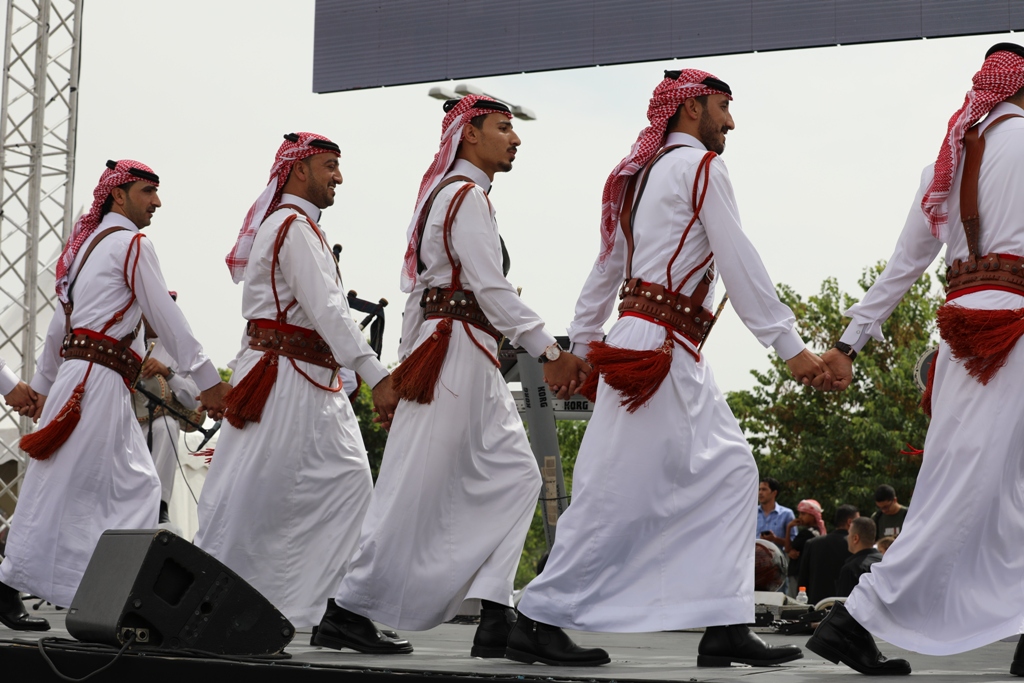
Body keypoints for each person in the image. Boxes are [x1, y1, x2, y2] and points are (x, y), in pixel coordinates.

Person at [509, 69, 831, 669]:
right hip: (660, 349)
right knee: (616, 491)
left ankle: (725, 624)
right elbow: (738, 257)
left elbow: (607, 267)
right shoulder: (701, 168)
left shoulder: (640, 179)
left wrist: (584, 342)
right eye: (722, 108)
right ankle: (536, 617)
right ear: (691, 110)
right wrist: (792, 349)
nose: (730, 122)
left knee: (733, 473)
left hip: (658, 343)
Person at [316, 95, 588, 657]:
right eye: (503, 128)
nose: (516, 139)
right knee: (413, 487)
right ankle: (346, 610)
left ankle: (496, 614)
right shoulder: (464, 197)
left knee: (516, 475)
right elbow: (489, 288)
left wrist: (403, 364)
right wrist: (548, 349)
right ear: (469, 135)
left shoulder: (460, 196)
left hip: (460, 352)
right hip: (456, 355)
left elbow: (426, 292)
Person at [809, 43, 1024, 677]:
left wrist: (849, 341)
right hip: (1014, 328)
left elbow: (905, 263)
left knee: (991, 489)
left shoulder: (948, 161)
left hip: (961, 336)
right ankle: (854, 619)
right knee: (971, 490)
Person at [0, 160, 231, 630]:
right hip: (95, 385)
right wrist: (209, 380)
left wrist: (42, 389)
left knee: (124, 486)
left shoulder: (83, 250)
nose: (158, 202)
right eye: (148, 191)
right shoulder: (131, 243)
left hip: (85, 380)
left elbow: (59, 332)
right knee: (107, 488)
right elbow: (166, 316)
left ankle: (96, 594)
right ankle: (56, 592)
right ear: (119, 196)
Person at [195, 133, 396, 631]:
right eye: (330, 166)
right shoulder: (292, 227)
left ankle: (331, 610)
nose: (339, 177)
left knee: (341, 489)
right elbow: (328, 310)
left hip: (306, 380)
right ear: (299, 169)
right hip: (284, 381)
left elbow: (320, 316)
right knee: (255, 494)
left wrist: (350, 376)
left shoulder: (296, 226)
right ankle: (207, 600)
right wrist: (375, 376)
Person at [135, 294, 201, 528]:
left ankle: (159, 506)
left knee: (168, 427)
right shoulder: (127, 338)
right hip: (127, 421)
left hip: (155, 420)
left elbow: (193, 398)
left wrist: (168, 373)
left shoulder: (178, 347)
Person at [798, 504, 858, 604]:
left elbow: (803, 579)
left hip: (815, 606)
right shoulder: (853, 545)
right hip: (843, 606)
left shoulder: (812, 543)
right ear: (850, 522)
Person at [783, 499, 825, 598]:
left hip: (798, 574)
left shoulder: (806, 533)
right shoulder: (818, 532)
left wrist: (789, 527)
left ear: (812, 515)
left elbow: (787, 548)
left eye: (803, 514)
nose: (800, 517)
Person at [835, 518, 881, 598]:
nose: (847, 538)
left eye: (848, 534)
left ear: (855, 538)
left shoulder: (851, 569)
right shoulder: (885, 562)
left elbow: (845, 604)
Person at [757, 477, 796, 547]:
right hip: (755, 556)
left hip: (777, 556)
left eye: (764, 489)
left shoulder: (786, 514)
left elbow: (794, 543)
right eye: (759, 489)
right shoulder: (752, 513)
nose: (760, 493)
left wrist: (774, 539)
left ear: (774, 493)